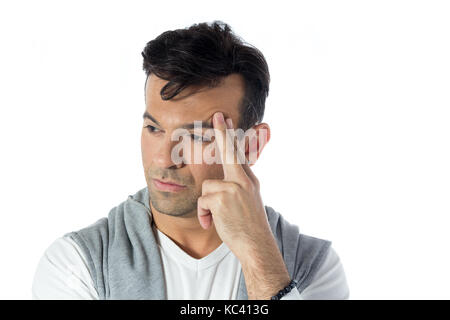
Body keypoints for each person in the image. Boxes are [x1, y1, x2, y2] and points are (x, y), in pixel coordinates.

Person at [32, 21, 349, 300]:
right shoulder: (78, 265)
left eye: (196, 137)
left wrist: (258, 257)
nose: (164, 158)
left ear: (251, 146)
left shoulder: (312, 268)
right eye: (154, 128)